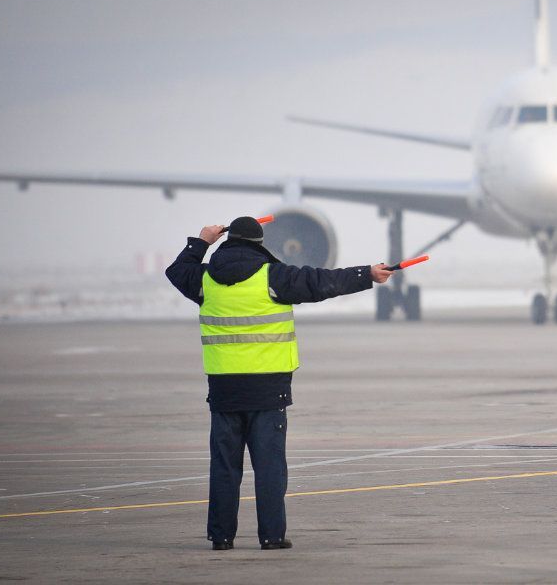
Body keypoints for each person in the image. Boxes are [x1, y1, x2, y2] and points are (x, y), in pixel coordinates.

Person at [165, 216, 393, 551]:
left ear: (229, 242)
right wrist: (367, 274)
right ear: (259, 244)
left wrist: (201, 241)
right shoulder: (274, 277)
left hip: (225, 391)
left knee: (225, 468)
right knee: (270, 469)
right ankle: (271, 537)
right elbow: (323, 281)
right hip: (269, 391)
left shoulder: (204, 281)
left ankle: (221, 537)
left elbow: (176, 271)